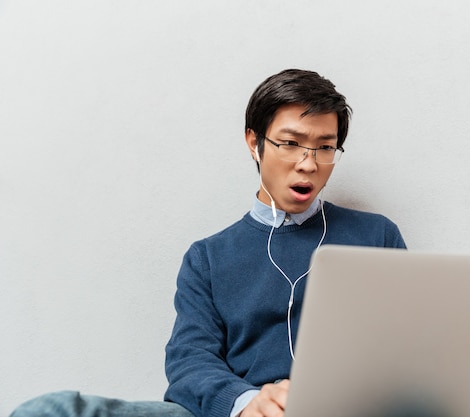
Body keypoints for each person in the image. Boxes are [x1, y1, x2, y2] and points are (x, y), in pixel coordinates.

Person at [10, 69, 406, 417]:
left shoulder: (376, 237)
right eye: (290, 143)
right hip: (241, 410)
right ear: (254, 142)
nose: (309, 163)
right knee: (48, 411)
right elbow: (189, 361)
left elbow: (409, 350)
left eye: (324, 147)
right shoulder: (208, 258)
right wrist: (245, 403)